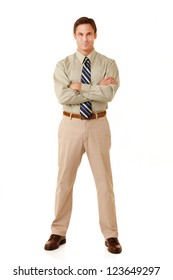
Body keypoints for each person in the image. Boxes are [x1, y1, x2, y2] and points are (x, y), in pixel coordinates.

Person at [44, 17, 122, 254]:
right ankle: (58, 231)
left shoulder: (109, 63)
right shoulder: (63, 65)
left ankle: (111, 235)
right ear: (74, 36)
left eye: (89, 34)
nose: (85, 39)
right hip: (71, 125)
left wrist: (80, 87)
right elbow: (63, 97)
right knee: (64, 179)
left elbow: (108, 94)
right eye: (80, 34)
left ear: (95, 35)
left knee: (104, 182)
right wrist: (94, 88)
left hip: (98, 125)